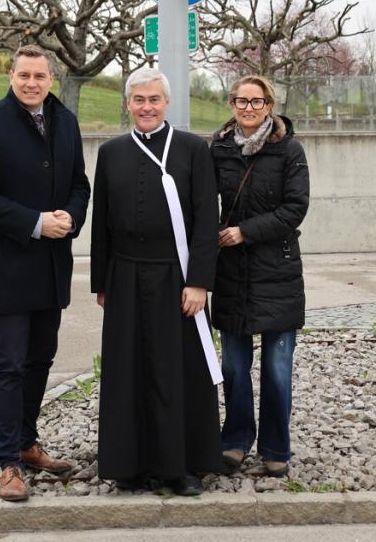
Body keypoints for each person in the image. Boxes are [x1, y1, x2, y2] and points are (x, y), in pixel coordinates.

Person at [0, 44, 90, 501]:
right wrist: (36, 223)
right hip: (8, 268)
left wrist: (71, 217)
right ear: (11, 75)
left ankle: (29, 443)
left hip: (53, 267)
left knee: (40, 360)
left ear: (51, 78)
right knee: (9, 365)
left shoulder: (66, 122)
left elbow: (80, 183)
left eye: (39, 75)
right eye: (24, 75)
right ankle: (9, 462)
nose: (31, 83)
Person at [91, 66, 222, 496]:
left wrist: (199, 281)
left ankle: (179, 466)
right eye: (138, 100)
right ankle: (128, 465)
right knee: (127, 370)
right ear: (128, 104)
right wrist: (101, 283)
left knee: (174, 371)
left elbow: (206, 220)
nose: (146, 107)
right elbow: (101, 225)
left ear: (166, 103)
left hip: (176, 276)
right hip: (125, 275)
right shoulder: (111, 152)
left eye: (154, 100)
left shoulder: (191, 149)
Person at [210, 75, 309, 478]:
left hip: (278, 272)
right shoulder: (216, 149)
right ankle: (234, 441)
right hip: (231, 274)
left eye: (256, 101)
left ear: (269, 104)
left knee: (277, 370)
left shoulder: (289, 150)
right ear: (231, 104)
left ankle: (275, 447)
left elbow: (295, 208)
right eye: (240, 101)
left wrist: (245, 232)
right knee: (234, 367)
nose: (248, 108)